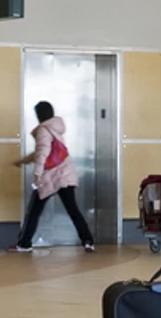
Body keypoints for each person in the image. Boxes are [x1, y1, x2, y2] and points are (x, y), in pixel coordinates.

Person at [8, 101, 96, 253]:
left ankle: (24, 244)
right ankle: (88, 241)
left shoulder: (44, 129)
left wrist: (37, 174)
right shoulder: (56, 128)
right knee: (72, 209)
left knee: (34, 210)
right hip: (65, 174)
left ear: (39, 115)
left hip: (51, 176)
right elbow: (44, 151)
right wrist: (24, 161)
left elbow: (43, 153)